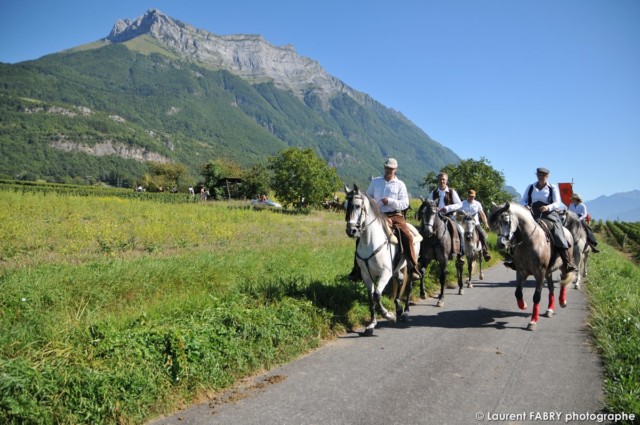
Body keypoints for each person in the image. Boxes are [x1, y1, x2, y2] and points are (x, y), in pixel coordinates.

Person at [348, 158, 422, 281]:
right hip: (378, 215)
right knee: (360, 238)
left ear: (396, 170)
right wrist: (372, 203)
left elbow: (405, 203)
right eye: (387, 168)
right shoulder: (375, 182)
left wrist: (390, 201)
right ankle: (357, 269)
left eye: (392, 169)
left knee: (407, 236)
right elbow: (367, 197)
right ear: (384, 168)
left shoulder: (400, 184)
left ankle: (412, 267)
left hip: (395, 215)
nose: (389, 170)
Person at [508, 167, 577, 272]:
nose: (541, 177)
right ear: (537, 175)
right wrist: (526, 205)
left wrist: (547, 207)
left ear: (547, 176)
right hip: (531, 214)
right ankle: (513, 259)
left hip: (548, 214)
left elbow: (556, 203)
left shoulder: (552, 187)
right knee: (517, 231)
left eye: (543, 175)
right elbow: (523, 200)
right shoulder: (531, 187)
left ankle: (567, 261)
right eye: (539, 175)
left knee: (558, 233)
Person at [431, 172, 464, 264]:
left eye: (443, 179)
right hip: (436, 217)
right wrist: (434, 208)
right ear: (438, 180)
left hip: (449, 216)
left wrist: (447, 208)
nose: (442, 181)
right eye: (440, 179)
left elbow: (459, 204)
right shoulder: (433, 192)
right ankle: (423, 253)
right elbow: (430, 203)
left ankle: (460, 254)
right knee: (425, 229)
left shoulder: (452, 191)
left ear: (446, 180)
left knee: (459, 231)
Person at [459, 189, 492, 261]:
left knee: (483, 235)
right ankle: (459, 254)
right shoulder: (462, 203)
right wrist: (462, 217)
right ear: (467, 195)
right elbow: (458, 213)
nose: (471, 197)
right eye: (470, 196)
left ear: (475, 196)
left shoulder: (478, 204)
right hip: (465, 224)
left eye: (473, 196)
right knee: (458, 234)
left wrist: (486, 224)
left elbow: (482, 214)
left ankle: (485, 252)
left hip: (475, 224)